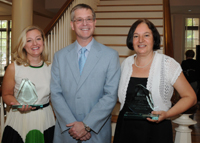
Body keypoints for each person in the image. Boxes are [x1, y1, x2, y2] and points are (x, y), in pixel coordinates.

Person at [113, 19, 197, 143]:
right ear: (131, 40)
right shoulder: (126, 63)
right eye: (136, 36)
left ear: (154, 38)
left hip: (156, 131)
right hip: (126, 129)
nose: (141, 40)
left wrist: (167, 114)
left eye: (146, 35)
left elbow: (190, 97)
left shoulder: (167, 64)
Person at [50, 3, 121, 143]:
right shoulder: (59, 56)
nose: (84, 24)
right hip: (67, 132)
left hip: (96, 133)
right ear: (72, 25)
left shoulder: (110, 56)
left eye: (89, 19)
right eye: (79, 20)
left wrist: (87, 125)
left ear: (95, 23)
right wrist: (74, 126)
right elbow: (55, 94)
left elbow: (110, 95)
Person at [1, 25, 55, 143]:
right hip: (20, 119)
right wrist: (17, 104)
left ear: (43, 42)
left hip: (45, 119)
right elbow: (6, 94)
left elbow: (55, 96)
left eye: (38, 39)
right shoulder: (14, 67)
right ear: (23, 46)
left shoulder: (51, 68)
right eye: (29, 41)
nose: (34, 44)